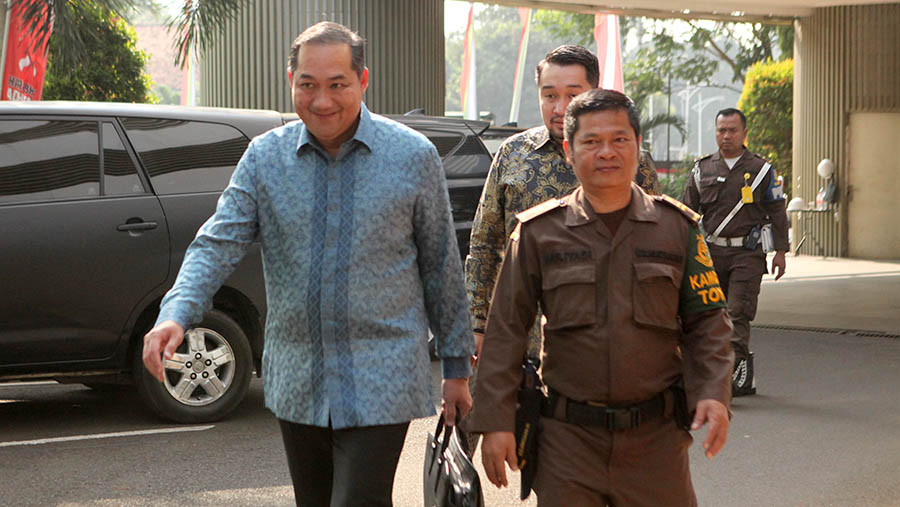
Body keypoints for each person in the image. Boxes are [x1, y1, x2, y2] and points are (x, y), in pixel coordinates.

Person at [141, 21, 474, 507]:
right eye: (308, 85)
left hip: (383, 375)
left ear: (362, 81)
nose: (322, 101)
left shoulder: (412, 156)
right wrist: (176, 313)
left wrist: (456, 367)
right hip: (299, 375)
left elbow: (442, 265)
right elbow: (216, 243)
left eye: (337, 85)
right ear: (290, 80)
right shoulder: (265, 159)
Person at [467, 89, 734, 506]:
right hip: (568, 443)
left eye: (619, 140)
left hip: (656, 444)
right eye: (591, 142)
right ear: (570, 152)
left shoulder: (677, 229)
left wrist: (715, 393)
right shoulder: (538, 233)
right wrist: (495, 421)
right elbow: (505, 331)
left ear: (637, 147)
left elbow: (709, 322)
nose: (606, 152)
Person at [466, 44, 659, 375]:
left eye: (573, 94)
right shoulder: (513, 154)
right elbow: (484, 244)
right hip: (517, 337)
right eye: (549, 95)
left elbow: (654, 246)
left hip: (599, 342)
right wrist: (477, 325)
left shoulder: (628, 160)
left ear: (594, 93)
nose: (560, 107)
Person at [681, 107, 788, 397]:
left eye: (732, 130)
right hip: (711, 253)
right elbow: (688, 213)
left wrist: (780, 251)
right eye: (721, 130)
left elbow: (777, 211)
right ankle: (709, 373)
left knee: (738, 312)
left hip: (748, 254)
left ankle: (731, 376)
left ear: (744, 133)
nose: (726, 136)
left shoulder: (762, 170)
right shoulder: (702, 169)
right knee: (708, 313)